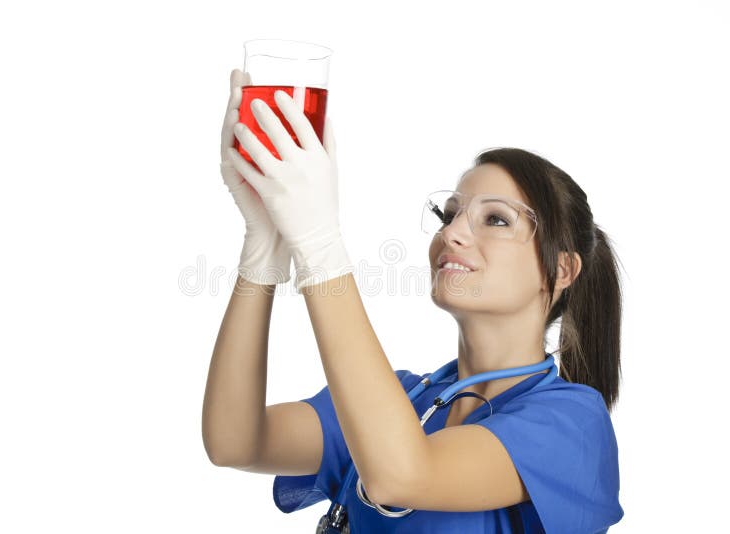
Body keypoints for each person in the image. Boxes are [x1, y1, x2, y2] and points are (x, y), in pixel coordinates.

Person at [202, 69, 625, 533]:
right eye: (450, 213)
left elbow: (401, 475)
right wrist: (262, 250)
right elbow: (235, 441)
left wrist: (320, 247)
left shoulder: (572, 424)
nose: (452, 232)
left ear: (561, 270)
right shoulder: (403, 398)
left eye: (497, 220)